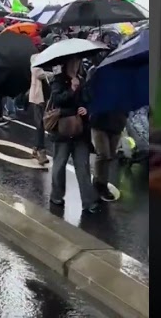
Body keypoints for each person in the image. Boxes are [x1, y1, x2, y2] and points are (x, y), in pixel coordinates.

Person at [46, 59, 100, 214]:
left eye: (78, 62)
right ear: (66, 64)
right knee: (59, 164)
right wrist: (71, 89)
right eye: (73, 62)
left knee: (82, 166)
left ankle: (88, 202)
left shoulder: (83, 80)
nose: (75, 65)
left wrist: (85, 109)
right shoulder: (58, 80)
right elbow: (57, 100)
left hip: (80, 131)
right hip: (63, 130)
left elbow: (89, 100)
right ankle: (56, 195)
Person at [85, 68, 129, 203]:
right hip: (100, 120)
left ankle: (99, 179)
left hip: (117, 121)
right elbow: (89, 92)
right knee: (103, 154)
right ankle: (101, 184)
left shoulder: (127, 75)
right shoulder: (96, 71)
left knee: (110, 155)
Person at [27, 65, 52, 166]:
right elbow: (39, 74)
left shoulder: (50, 59)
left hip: (47, 97)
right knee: (40, 124)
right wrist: (54, 74)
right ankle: (41, 152)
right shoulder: (35, 58)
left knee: (42, 123)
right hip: (38, 98)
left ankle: (36, 148)